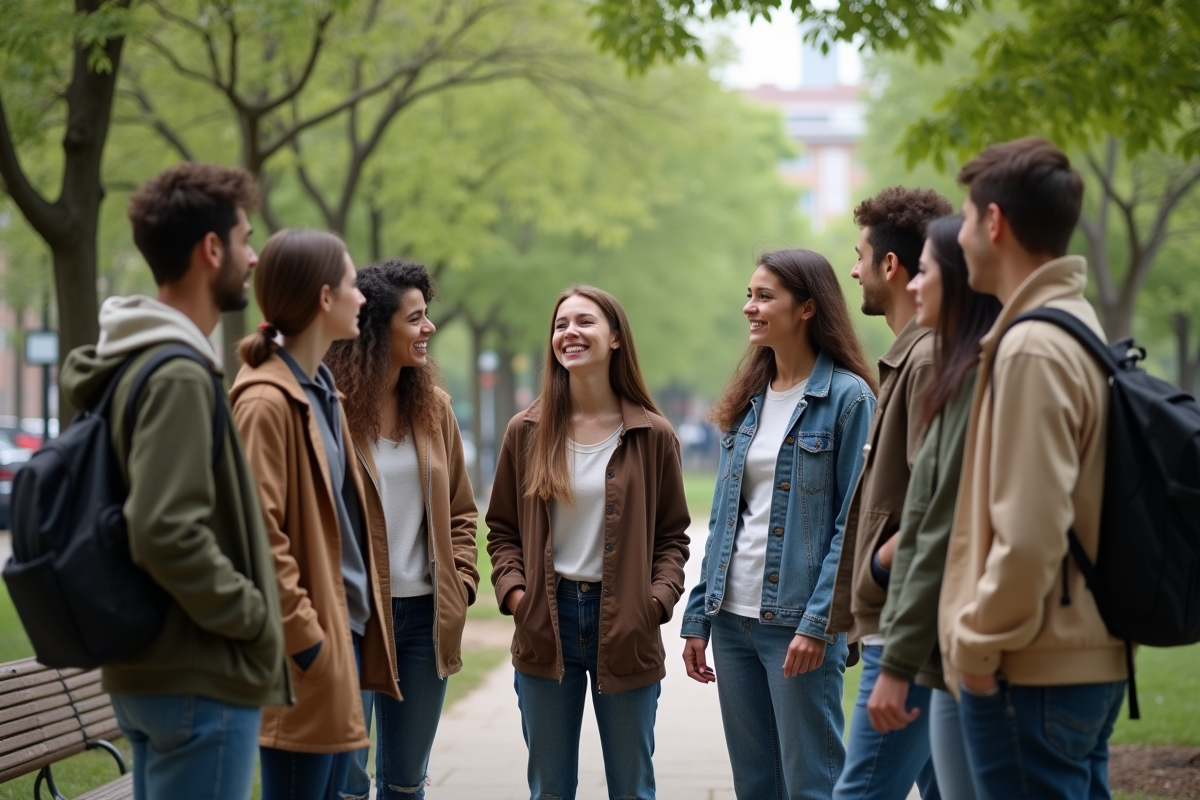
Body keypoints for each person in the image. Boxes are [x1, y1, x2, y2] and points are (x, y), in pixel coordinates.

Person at [58, 163, 287, 800]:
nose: (254, 254)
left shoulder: (133, 361)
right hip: (197, 674)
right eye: (245, 238)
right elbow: (163, 528)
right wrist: (251, 615)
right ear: (210, 250)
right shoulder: (181, 375)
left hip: (150, 670)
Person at [941, 137, 1126, 800]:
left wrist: (978, 648)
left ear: (994, 223)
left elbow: (1030, 531)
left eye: (964, 218)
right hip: (1077, 657)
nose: (958, 236)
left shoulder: (1030, 349)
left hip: (1032, 667)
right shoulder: (1075, 324)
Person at [681, 249, 878, 800]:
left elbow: (855, 522)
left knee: (811, 784)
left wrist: (819, 623)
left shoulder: (847, 398)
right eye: (749, 294)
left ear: (808, 307)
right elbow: (724, 520)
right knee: (755, 785)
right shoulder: (746, 401)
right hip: (732, 622)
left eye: (764, 296)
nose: (750, 307)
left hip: (797, 624)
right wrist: (699, 615)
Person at [486, 285, 691, 800]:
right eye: (561, 325)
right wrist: (518, 596)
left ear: (616, 337)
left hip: (626, 626)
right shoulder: (526, 431)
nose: (569, 333)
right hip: (545, 624)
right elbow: (503, 531)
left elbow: (672, 538)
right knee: (550, 791)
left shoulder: (653, 435)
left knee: (632, 790)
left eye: (585, 322)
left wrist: (654, 603)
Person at [229, 229, 401, 800]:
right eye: (353, 285)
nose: (363, 298)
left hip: (340, 638)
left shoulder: (322, 391)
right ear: (324, 298)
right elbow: (256, 537)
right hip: (308, 650)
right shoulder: (264, 401)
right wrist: (308, 642)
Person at [326, 261, 479, 800]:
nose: (428, 328)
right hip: (351, 615)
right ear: (375, 327)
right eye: (415, 318)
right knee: (343, 781)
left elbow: (461, 509)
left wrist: (460, 581)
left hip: (422, 619)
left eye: (428, 315)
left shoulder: (433, 408)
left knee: (407, 780)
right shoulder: (330, 411)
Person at [865, 215, 1001, 800]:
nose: (916, 285)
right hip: (936, 635)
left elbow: (936, 515)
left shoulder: (943, 366)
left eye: (927, 271)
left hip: (934, 631)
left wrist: (878, 566)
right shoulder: (952, 365)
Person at [828, 187, 952, 800]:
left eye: (859, 256)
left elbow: (942, 505)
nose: (853, 270)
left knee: (862, 791)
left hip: (907, 625)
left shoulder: (928, 362)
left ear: (891, 266)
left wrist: (876, 568)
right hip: (908, 622)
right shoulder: (912, 359)